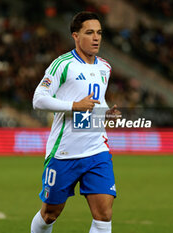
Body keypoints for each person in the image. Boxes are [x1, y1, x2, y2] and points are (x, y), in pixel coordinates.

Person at [31, 11, 120, 233]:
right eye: (89, 33)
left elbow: (97, 100)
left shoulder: (105, 67)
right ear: (75, 36)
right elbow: (38, 99)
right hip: (64, 153)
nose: (96, 37)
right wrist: (74, 106)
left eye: (99, 32)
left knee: (104, 215)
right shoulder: (62, 64)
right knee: (50, 214)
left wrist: (106, 113)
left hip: (96, 150)